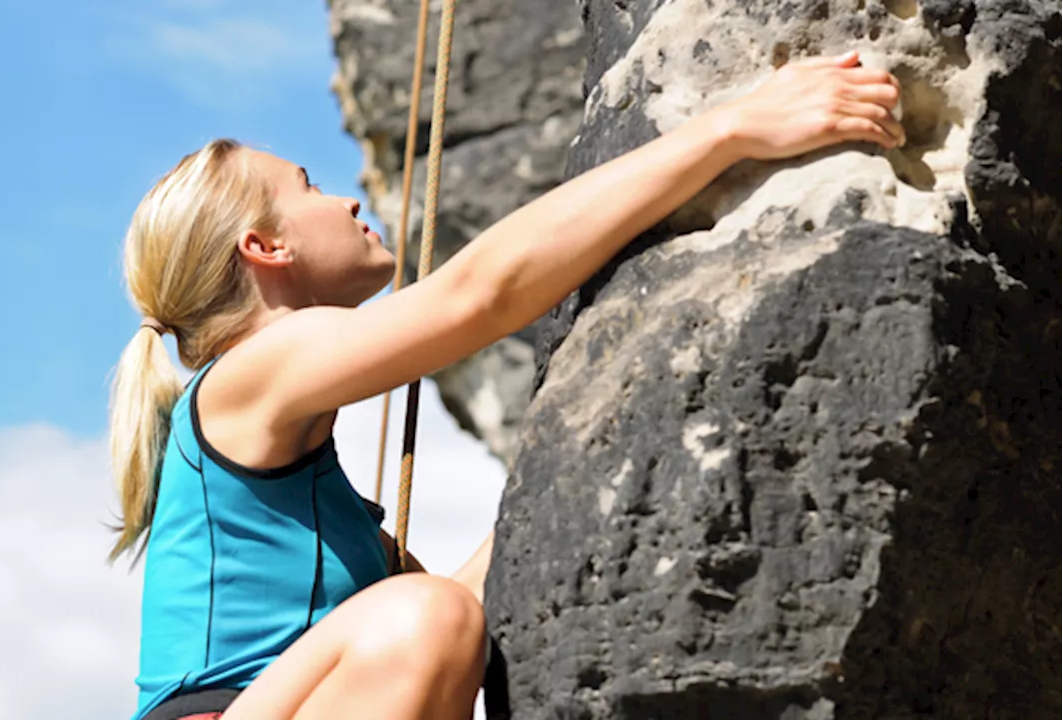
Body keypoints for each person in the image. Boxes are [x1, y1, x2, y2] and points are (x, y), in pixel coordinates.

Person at [108, 50, 904, 720]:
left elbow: (470, 621)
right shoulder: (249, 374)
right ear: (264, 246)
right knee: (421, 616)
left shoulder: (315, 506)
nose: (347, 197)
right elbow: (478, 295)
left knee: (435, 615)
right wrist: (733, 128)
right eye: (310, 186)